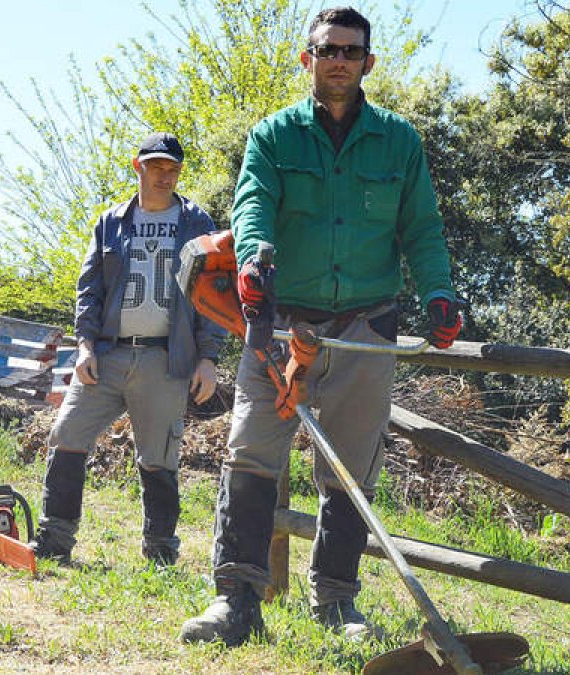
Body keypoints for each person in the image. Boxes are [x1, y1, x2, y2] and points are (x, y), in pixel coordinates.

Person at [180, 7, 463, 645]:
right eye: (327, 48)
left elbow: (421, 228)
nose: (338, 59)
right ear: (307, 58)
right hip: (278, 324)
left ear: (369, 62)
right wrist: (252, 259)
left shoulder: (400, 141)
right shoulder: (274, 137)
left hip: (366, 326)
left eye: (350, 50)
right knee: (251, 451)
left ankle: (336, 601)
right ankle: (235, 600)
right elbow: (253, 202)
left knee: (353, 468)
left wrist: (440, 293)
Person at [30, 132, 226, 566]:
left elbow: (214, 297)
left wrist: (208, 357)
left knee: (158, 457)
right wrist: (84, 345)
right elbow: (89, 291)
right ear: (138, 167)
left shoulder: (198, 224)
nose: (164, 175)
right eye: (156, 166)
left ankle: (160, 555)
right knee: (66, 435)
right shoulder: (111, 223)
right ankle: (54, 542)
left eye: (172, 168)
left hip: (165, 359)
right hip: (107, 354)